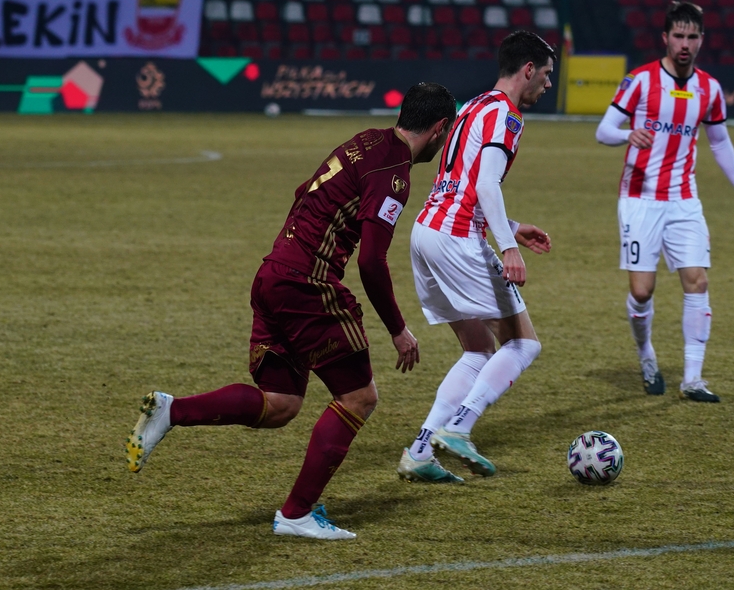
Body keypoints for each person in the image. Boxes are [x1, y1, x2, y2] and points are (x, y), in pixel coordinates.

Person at [125, 83, 457, 540]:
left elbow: (304, 192)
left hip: (274, 274)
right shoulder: (394, 174)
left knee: (280, 404)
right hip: (306, 284)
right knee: (359, 398)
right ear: (440, 129)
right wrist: (398, 330)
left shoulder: (366, 140)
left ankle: (171, 410)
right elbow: (371, 261)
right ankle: (296, 514)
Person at [397, 31, 554, 484]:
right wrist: (508, 248)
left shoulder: (473, 106)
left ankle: (420, 451)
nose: (547, 84)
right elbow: (485, 183)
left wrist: (512, 227)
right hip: (457, 238)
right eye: (546, 75)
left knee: (478, 348)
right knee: (524, 344)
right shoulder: (508, 116)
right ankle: (459, 427)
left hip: (427, 232)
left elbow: (462, 181)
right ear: (528, 70)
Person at [594, 1, 734, 403]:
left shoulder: (709, 88)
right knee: (642, 292)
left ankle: (693, 379)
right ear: (665, 38)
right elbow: (604, 130)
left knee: (697, 280)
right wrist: (627, 134)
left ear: (701, 40)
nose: (685, 44)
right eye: (679, 36)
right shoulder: (640, 80)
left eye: (692, 37)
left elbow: (719, 142)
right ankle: (646, 355)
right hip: (640, 198)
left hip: (684, 199)